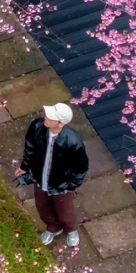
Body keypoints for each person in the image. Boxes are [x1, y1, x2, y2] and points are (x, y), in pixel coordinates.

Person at [17, 102, 89, 248]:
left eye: (51, 117)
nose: (46, 117)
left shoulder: (73, 141)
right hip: (40, 177)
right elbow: (29, 147)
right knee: (43, 206)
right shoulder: (37, 127)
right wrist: (25, 166)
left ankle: (71, 229)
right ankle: (54, 227)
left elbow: (80, 167)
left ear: (61, 123)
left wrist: (72, 186)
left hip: (61, 183)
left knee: (65, 209)